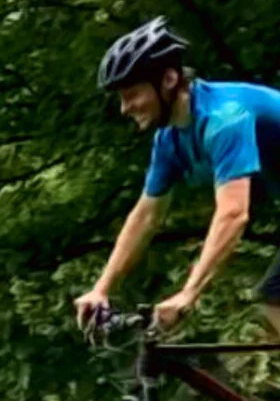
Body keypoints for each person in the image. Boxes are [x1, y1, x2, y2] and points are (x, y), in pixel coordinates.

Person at [75, 17, 280, 342]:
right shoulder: (168, 139)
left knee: (275, 299)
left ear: (169, 79)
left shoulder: (223, 119)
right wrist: (101, 289)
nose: (125, 108)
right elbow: (146, 216)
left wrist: (189, 293)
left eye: (131, 94)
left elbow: (233, 213)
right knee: (275, 299)